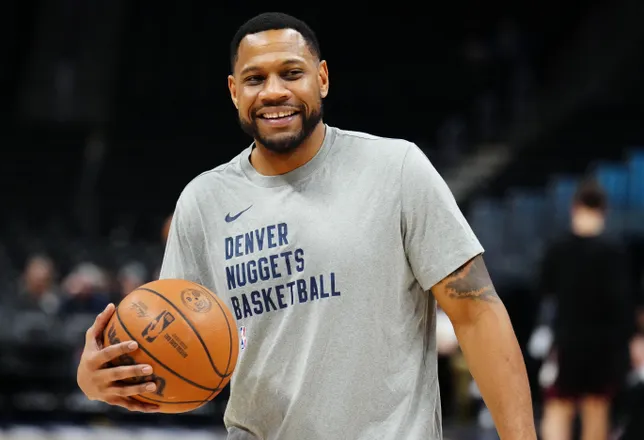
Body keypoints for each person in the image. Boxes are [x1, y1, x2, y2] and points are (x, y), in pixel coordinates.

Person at [76, 12, 535, 440]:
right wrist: (100, 381)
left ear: (323, 78)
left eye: (291, 73)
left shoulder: (395, 168)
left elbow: (476, 313)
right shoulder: (204, 200)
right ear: (235, 91)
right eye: (256, 79)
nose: (274, 91)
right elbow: (178, 354)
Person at [538, 179, 633, 440]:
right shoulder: (614, 251)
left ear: (574, 207)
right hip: (603, 346)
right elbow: (623, 304)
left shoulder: (557, 248)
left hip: (567, 341)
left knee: (559, 407)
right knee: (596, 408)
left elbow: (544, 293)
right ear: (604, 210)